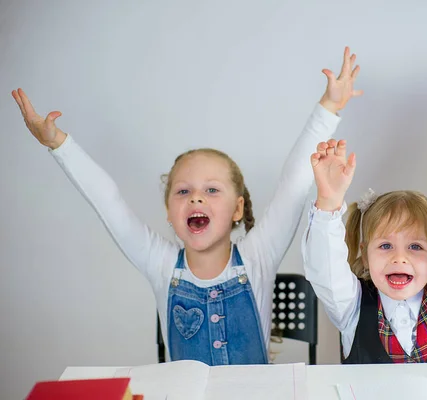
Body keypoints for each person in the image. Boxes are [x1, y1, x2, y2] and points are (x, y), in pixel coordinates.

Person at [11, 46, 362, 365]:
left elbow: (293, 184)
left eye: (211, 190)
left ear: (237, 209)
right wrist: (58, 144)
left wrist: (328, 108)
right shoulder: (160, 264)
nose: (196, 198)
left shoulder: (259, 255)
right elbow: (108, 201)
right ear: (168, 212)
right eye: (183, 192)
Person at [301, 134, 427, 363]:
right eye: (385, 245)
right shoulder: (351, 306)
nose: (399, 258)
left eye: (415, 246)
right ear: (366, 255)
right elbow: (325, 267)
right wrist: (328, 201)